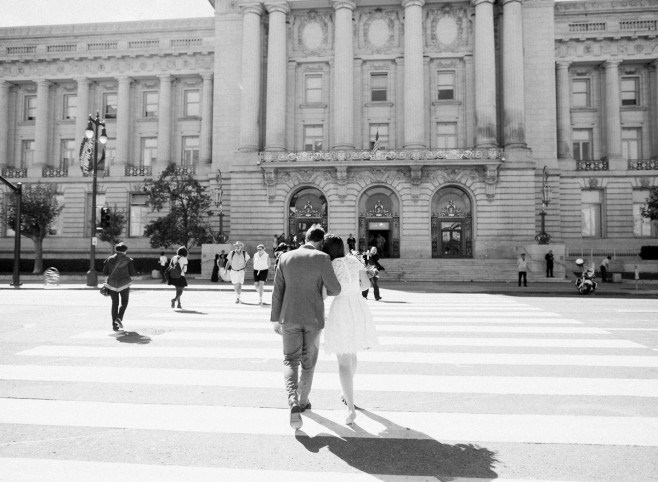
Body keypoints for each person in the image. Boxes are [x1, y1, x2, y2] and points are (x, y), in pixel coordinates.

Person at [270, 224, 341, 430]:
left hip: (289, 316)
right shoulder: (323, 258)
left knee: (290, 360)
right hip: (313, 318)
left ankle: (292, 399)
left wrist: (275, 319)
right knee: (308, 363)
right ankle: (302, 401)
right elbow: (335, 289)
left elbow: (277, 292)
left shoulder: (285, 257)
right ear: (320, 242)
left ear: (305, 238)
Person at [322, 234, 378, 425]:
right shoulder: (354, 261)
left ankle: (351, 408)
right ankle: (347, 393)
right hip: (359, 306)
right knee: (352, 353)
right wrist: (353, 287)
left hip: (342, 308)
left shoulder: (330, 265)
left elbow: (325, 293)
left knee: (343, 361)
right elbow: (367, 284)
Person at [102, 242, 137, 332]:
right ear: (125, 251)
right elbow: (132, 273)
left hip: (112, 284)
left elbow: (104, 272)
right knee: (124, 302)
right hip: (124, 284)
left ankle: (114, 325)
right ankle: (119, 318)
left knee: (115, 303)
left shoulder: (109, 259)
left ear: (116, 250)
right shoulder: (128, 260)